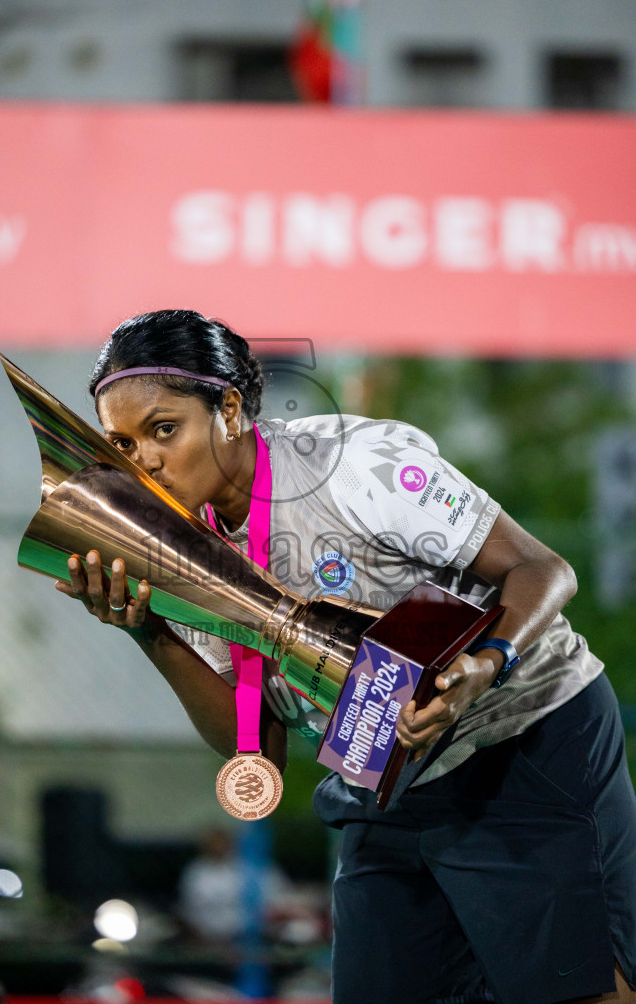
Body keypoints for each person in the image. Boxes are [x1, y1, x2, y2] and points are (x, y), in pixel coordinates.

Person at [55, 308, 636, 1004]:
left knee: (575, 991)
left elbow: (542, 570)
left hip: (524, 744)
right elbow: (259, 748)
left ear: (230, 408)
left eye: (163, 429)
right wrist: (148, 629)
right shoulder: (177, 551)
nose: (143, 460)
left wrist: (481, 666)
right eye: (122, 443)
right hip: (380, 779)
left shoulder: (353, 463)